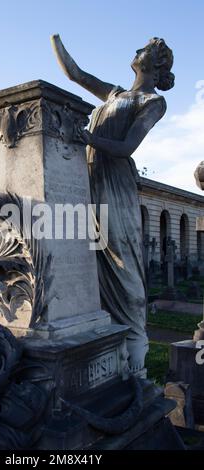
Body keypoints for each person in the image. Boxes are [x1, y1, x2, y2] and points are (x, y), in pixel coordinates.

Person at [51, 34, 174, 371]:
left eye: (146, 49)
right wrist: (55, 39)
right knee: (90, 258)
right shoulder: (114, 93)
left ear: (158, 63)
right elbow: (75, 74)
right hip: (87, 178)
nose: (137, 50)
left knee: (123, 260)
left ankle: (136, 355)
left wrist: (87, 136)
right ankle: (103, 343)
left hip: (115, 183)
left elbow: (127, 147)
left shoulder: (152, 101)